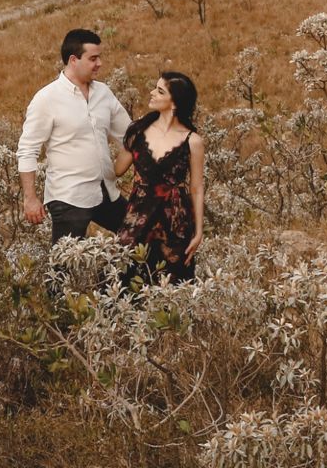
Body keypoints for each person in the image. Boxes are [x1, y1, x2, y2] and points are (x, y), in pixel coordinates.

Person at [18, 29, 133, 243]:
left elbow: (131, 136)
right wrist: (30, 198)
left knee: (140, 236)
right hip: (68, 197)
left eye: (99, 57)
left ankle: (112, 277)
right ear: (73, 60)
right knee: (64, 271)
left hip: (105, 192)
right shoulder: (47, 98)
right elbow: (27, 150)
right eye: (93, 58)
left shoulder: (104, 93)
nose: (99, 63)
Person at [115, 71, 205, 284]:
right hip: (138, 215)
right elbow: (117, 170)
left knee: (173, 284)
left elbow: (197, 188)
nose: (152, 93)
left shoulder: (193, 141)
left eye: (160, 91)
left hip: (175, 222)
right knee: (125, 275)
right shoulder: (137, 131)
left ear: (174, 103)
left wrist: (199, 232)